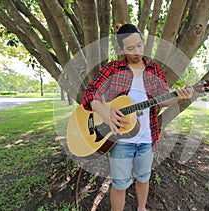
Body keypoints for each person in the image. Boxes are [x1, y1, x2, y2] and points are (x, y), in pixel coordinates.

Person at [82, 23, 192, 211]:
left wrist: (177, 98)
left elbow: (162, 100)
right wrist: (105, 112)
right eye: (130, 48)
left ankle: (141, 209)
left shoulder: (154, 70)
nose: (137, 51)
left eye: (140, 45)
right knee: (119, 184)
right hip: (119, 139)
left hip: (147, 139)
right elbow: (90, 93)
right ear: (121, 49)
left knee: (143, 178)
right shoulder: (113, 69)